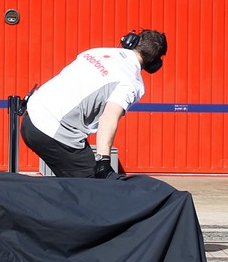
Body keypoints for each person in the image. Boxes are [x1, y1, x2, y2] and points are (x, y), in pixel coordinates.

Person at [22, 30, 167, 178]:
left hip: (31, 117)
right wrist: (103, 160)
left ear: (131, 41)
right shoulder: (131, 82)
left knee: (72, 189)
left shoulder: (98, 52)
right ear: (155, 64)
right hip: (54, 132)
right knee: (94, 190)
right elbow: (109, 117)